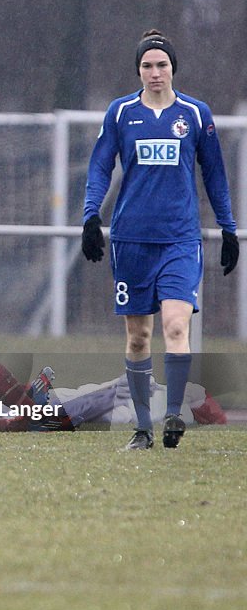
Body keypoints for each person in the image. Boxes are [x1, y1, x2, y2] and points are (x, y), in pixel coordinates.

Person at [82, 29, 238, 451]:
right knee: (137, 337)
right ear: (138, 70)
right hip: (131, 240)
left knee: (175, 324)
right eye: (147, 65)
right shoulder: (120, 113)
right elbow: (100, 168)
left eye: (162, 64)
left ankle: (173, 415)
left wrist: (228, 227)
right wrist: (90, 216)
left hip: (179, 241)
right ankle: (143, 428)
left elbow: (215, 175)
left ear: (173, 68)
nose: (155, 72)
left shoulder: (195, 114)